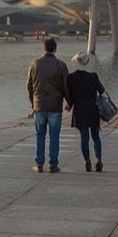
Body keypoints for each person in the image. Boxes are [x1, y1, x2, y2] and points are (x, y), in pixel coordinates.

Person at [25, 36, 71, 173]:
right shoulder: (61, 65)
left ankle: (39, 164)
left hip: (39, 105)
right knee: (54, 135)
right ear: (55, 49)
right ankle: (53, 164)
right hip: (55, 106)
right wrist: (70, 102)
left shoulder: (34, 64)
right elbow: (66, 86)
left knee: (40, 135)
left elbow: (28, 85)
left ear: (44, 48)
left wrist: (33, 103)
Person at [65, 51, 107, 172]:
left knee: (84, 137)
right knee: (96, 136)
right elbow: (102, 90)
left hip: (79, 109)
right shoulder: (93, 76)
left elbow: (70, 95)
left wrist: (69, 105)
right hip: (92, 108)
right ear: (87, 63)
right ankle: (98, 160)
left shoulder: (71, 78)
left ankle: (87, 161)